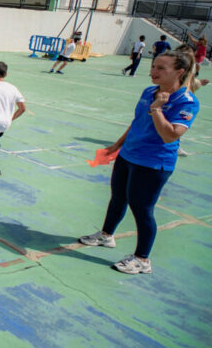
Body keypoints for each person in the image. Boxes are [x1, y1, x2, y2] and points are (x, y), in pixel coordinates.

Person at [79, 49, 200, 274]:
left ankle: (142, 259)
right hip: (128, 156)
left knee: (142, 209)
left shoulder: (187, 102)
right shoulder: (149, 91)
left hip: (153, 163)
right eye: (153, 66)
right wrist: (117, 146)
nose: (153, 71)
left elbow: (170, 135)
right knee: (117, 198)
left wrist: (157, 108)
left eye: (161, 68)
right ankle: (106, 236)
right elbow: (137, 123)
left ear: (179, 72)